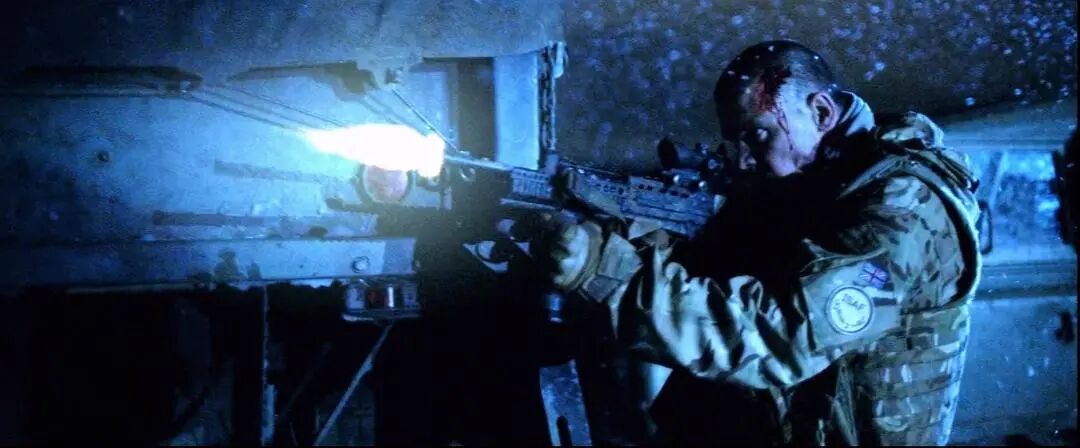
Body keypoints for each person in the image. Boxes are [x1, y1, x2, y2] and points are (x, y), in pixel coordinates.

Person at [534, 40, 982, 445]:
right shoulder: (811, 184)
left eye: (758, 134)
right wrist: (630, 242)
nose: (744, 160)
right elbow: (718, 275)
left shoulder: (905, 212)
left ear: (821, 113)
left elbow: (786, 338)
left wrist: (607, 272)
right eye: (736, 142)